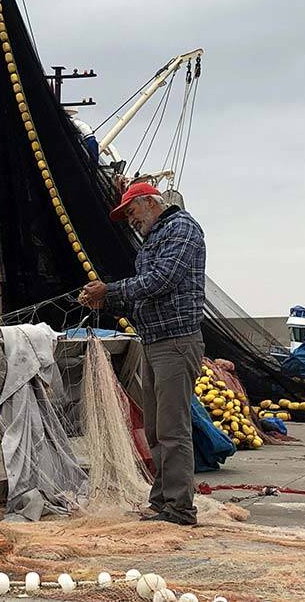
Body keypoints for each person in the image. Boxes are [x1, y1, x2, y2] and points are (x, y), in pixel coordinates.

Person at [78, 181, 206, 526]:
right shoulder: (154, 237)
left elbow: (161, 280)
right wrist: (107, 296)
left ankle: (180, 509)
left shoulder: (182, 229)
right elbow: (146, 284)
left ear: (150, 203)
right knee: (155, 429)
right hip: (154, 342)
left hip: (176, 343)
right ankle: (162, 501)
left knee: (172, 430)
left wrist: (110, 291)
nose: (131, 221)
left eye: (131, 212)